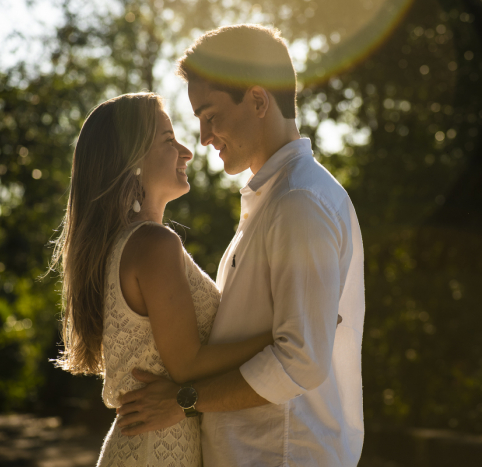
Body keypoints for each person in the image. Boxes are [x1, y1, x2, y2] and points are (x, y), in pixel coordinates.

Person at [116, 25, 366, 466]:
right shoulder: (277, 199)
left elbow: (300, 360)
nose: (204, 136)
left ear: (256, 100)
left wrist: (184, 400)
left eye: (209, 115)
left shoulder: (298, 203)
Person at [50, 92, 285, 466]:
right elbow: (188, 365)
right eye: (168, 140)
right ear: (132, 162)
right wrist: (284, 331)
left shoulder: (134, 242)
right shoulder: (153, 244)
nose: (186, 151)